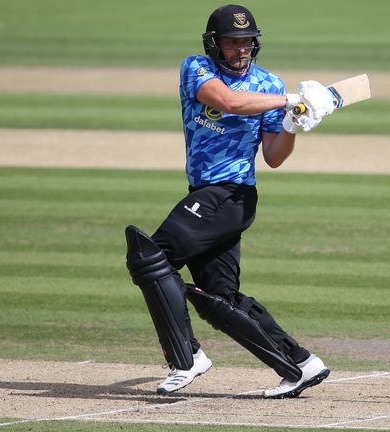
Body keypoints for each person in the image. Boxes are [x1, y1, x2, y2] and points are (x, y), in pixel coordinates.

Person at [124, 4, 336, 399]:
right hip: (206, 195)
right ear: (214, 44)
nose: (240, 49)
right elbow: (230, 103)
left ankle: (185, 357)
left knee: (150, 259)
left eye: (246, 42)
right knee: (219, 298)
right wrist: (290, 100)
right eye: (231, 42)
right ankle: (301, 364)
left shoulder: (269, 84)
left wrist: (294, 124)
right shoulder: (197, 69)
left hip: (230, 195)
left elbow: (274, 156)